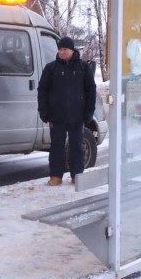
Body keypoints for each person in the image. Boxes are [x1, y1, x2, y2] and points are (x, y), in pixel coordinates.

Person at [37, 36, 96, 186]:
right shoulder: (51, 68)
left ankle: (77, 175)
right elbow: (42, 90)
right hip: (57, 116)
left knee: (76, 147)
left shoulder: (83, 68)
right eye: (60, 49)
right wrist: (44, 112)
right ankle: (56, 176)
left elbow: (91, 90)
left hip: (77, 116)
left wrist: (89, 112)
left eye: (64, 49)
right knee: (56, 147)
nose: (61, 52)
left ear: (72, 50)